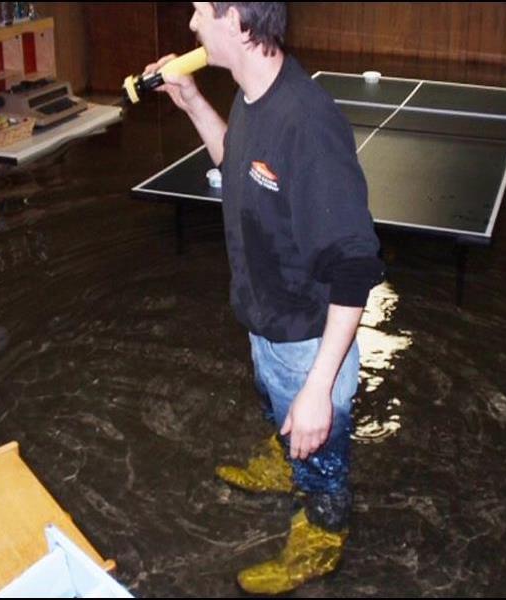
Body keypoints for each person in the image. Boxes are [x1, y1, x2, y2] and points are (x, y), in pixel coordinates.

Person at [145, 2, 385, 594]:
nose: (192, 24)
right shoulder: (252, 98)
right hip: (266, 325)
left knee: (323, 464)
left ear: (237, 21)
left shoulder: (308, 122)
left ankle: (323, 537)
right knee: (277, 413)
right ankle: (286, 458)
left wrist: (317, 391)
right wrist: (194, 103)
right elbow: (239, 164)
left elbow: (355, 265)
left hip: (309, 345)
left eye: (202, 9)